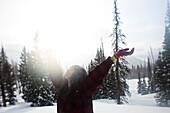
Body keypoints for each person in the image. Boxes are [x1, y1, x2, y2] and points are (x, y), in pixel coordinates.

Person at [49, 48, 134, 113]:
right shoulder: (62, 86)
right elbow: (54, 71)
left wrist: (115, 57)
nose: (68, 70)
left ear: (77, 75)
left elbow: (98, 72)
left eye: (71, 70)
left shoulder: (84, 89)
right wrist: (48, 55)